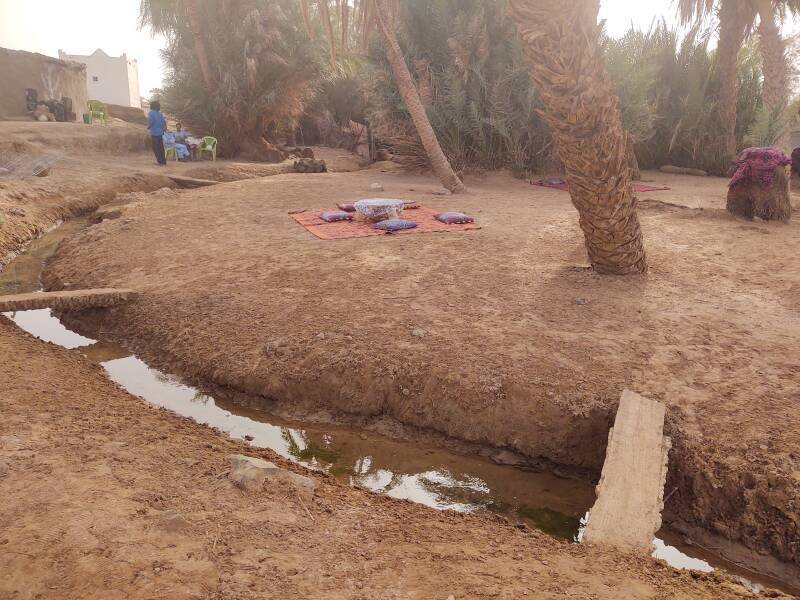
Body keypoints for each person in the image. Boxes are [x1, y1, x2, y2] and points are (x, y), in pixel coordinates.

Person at [147, 100, 167, 166]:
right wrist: (164, 129)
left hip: (154, 132)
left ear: (152, 106)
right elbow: (164, 122)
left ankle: (160, 162)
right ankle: (164, 161)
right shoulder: (160, 114)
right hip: (160, 132)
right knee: (161, 147)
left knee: (156, 148)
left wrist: (148, 127)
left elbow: (151, 122)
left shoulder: (151, 113)